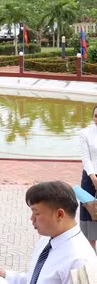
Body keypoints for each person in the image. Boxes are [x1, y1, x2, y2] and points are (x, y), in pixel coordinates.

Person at [0, 181, 97, 283]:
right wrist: (7, 277)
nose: (32, 218)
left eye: (36, 213)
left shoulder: (79, 261)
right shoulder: (48, 239)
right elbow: (35, 279)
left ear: (59, 214)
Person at [78, 105, 97, 248]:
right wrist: (94, 178)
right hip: (90, 178)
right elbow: (86, 158)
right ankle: (90, 252)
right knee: (90, 213)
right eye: (96, 116)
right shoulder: (85, 133)